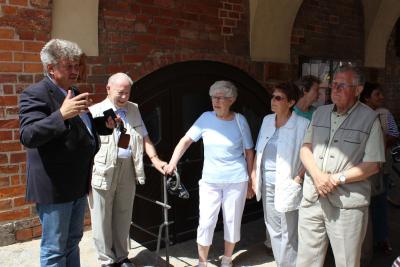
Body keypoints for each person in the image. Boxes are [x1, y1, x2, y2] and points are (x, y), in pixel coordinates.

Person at [19, 39, 115, 267]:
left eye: (76, 65)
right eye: (68, 66)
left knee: (73, 241)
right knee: (54, 248)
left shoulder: (73, 91)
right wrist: (61, 114)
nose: (76, 71)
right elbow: (29, 135)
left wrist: (103, 125)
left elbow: (80, 127)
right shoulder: (36, 93)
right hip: (55, 187)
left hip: (78, 183)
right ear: (51, 68)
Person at [296, 65, 385, 267]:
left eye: (341, 85)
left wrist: (337, 178)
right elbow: (305, 148)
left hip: (347, 204)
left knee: (346, 261)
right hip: (313, 196)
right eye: (333, 85)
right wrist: (318, 177)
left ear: (358, 89)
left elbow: (373, 165)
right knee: (306, 260)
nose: (334, 89)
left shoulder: (370, 119)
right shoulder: (320, 113)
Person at [164, 80, 254, 267]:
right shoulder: (206, 118)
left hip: (236, 179)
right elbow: (186, 141)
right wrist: (173, 162)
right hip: (210, 181)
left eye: (220, 98)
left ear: (231, 100)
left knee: (232, 220)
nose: (216, 101)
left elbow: (249, 152)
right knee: (206, 222)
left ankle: (227, 259)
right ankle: (202, 262)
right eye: (213, 97)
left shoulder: (240, 120)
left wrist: (251, 181)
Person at [89, 73, 167, 267]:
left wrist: (155, 160)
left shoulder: (133, 109)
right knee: (102, 217)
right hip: (103, 169)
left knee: (123, 214)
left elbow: (144, 136)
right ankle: (107, 261)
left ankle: (122, 257)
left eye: (127, 93)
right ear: (108, 89)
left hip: (128, 168)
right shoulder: (94, 111)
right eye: (120, 93)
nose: (124, 97)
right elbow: (86, 147)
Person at [250, 82, 309, 267]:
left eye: (278, 98)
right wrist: (253, 175)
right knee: (273, 228)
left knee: (289, 231)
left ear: (291, 102)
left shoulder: (302, 124)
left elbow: (311, 154)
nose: (273, 101)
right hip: (266, 181)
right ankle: (282, 263)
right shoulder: (268, 120)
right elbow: (259, 148)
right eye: (273, 96)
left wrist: (298, 178)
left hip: (288, 183)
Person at [360, 82, 399, 260]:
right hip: (364, 168)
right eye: (377, 94)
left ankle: (381, 239)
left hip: (380, 168)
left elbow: (394, 134)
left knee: (379, 203)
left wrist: (379, 146)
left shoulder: (384, 114)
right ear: (366, 97)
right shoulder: (359, 114)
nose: (381, 98)